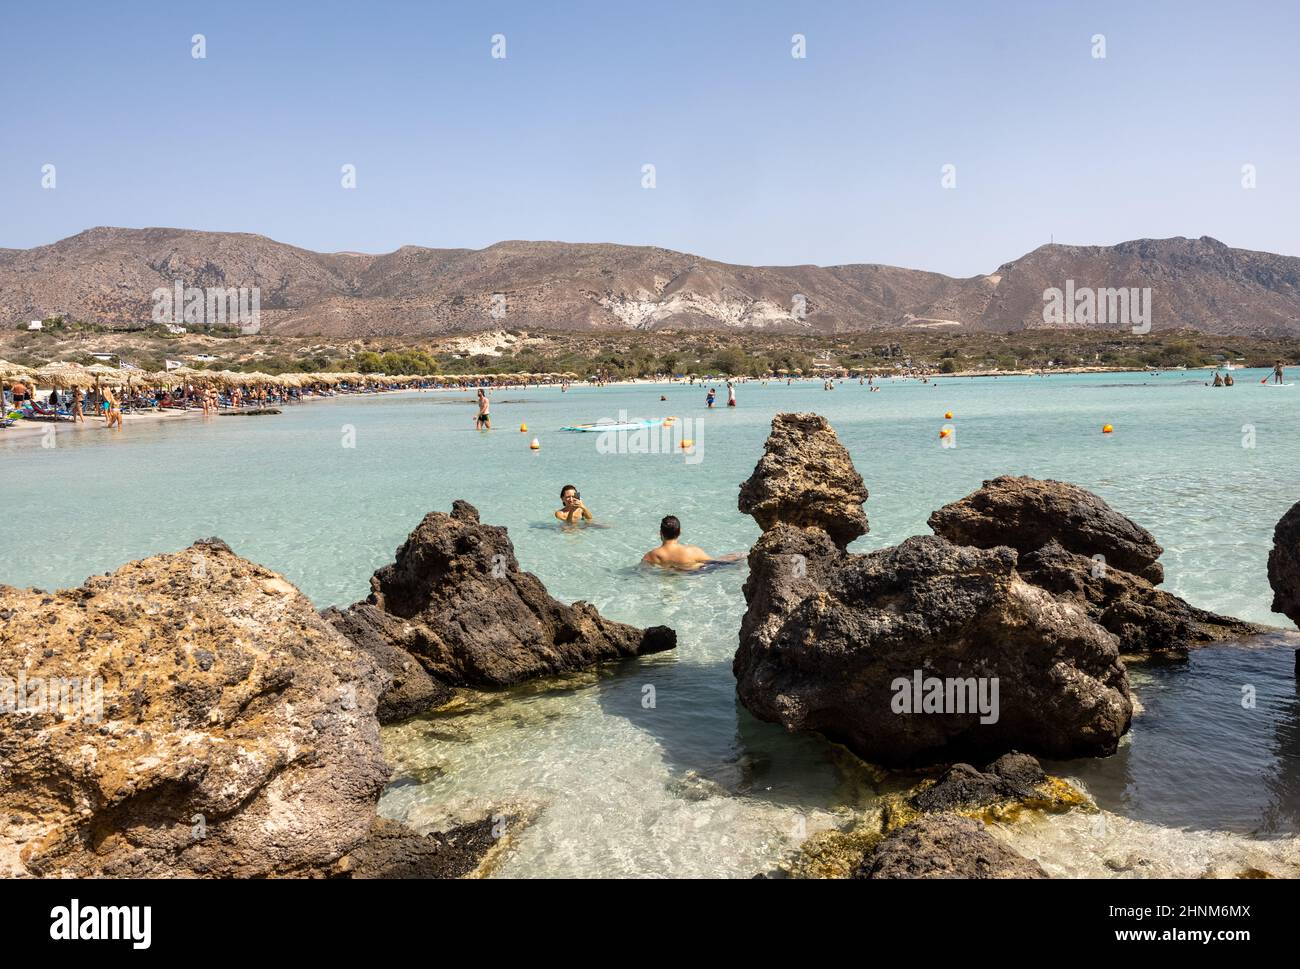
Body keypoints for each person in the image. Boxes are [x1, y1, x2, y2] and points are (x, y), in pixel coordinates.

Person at [641, 515, 740, 570]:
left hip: (667, 575)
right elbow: (716, 562)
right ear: (679, 532)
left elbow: (642, 571)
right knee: (726, 559)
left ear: (660, 533)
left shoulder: (651, 555)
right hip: (693, 574)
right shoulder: (693, 551)